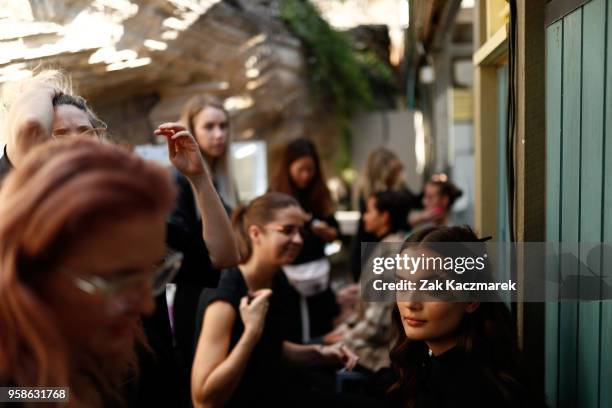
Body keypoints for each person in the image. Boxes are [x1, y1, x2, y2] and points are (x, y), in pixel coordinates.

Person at [0, 138, 178, 407]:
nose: (146, 305)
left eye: (152, 272)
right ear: (34, 272)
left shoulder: (112, 353)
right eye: (118, 280)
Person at [191, 192, 358, 408]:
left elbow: (271, 348)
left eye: (300, 231)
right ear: (255, 233)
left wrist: (320, 353)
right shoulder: (226, 295)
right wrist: (251, 333)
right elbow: (204, 399)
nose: (298, 240)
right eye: (287, 230)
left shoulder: (277, 279)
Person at [389, 226, 545, 408]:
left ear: (472, 300)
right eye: (403, 284)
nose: (411, 303)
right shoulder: (433, 361)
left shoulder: (474, 389)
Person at [154, 121, 240, 402]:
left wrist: (200, 177)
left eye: (85, 131)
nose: (218, 134)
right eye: (209, 126)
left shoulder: (135, 226)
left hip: (153, 376)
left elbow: (224, 256)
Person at [324, 190, 413, 372]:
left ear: (385, 216)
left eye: (369, 211)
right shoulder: (387, 245)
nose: (364, 217)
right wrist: (345, 329)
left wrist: (345, 338)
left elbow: (380, 322)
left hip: (376, 355)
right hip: (368, 343)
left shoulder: (392, 251)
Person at [269, 137, 341, 342]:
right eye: (301, 169)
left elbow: (336, 232)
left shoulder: (319, 195)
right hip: (289, 277)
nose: (306, 175)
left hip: (318, 278)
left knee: (322, 332)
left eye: (311, 170)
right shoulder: (276, 197)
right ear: (288, 167)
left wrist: (325, 231)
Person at [0, 70, 106, 183]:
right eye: (61, 135)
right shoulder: (23, 184)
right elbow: (30, 126)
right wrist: (41, 89)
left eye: (86, 132)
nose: (78, 140)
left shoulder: (114, 184)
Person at [350, 147, 418, 282]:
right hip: (368, 254)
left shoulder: (397, 188)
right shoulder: (371, 196)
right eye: (393, 173)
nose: (396, 176)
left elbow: (415, 201)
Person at [178, 94, 239, 210]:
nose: (219, 135)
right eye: (209, 127)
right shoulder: (179, 179)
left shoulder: (226, 178)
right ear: (191, 131)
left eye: (223, 126)